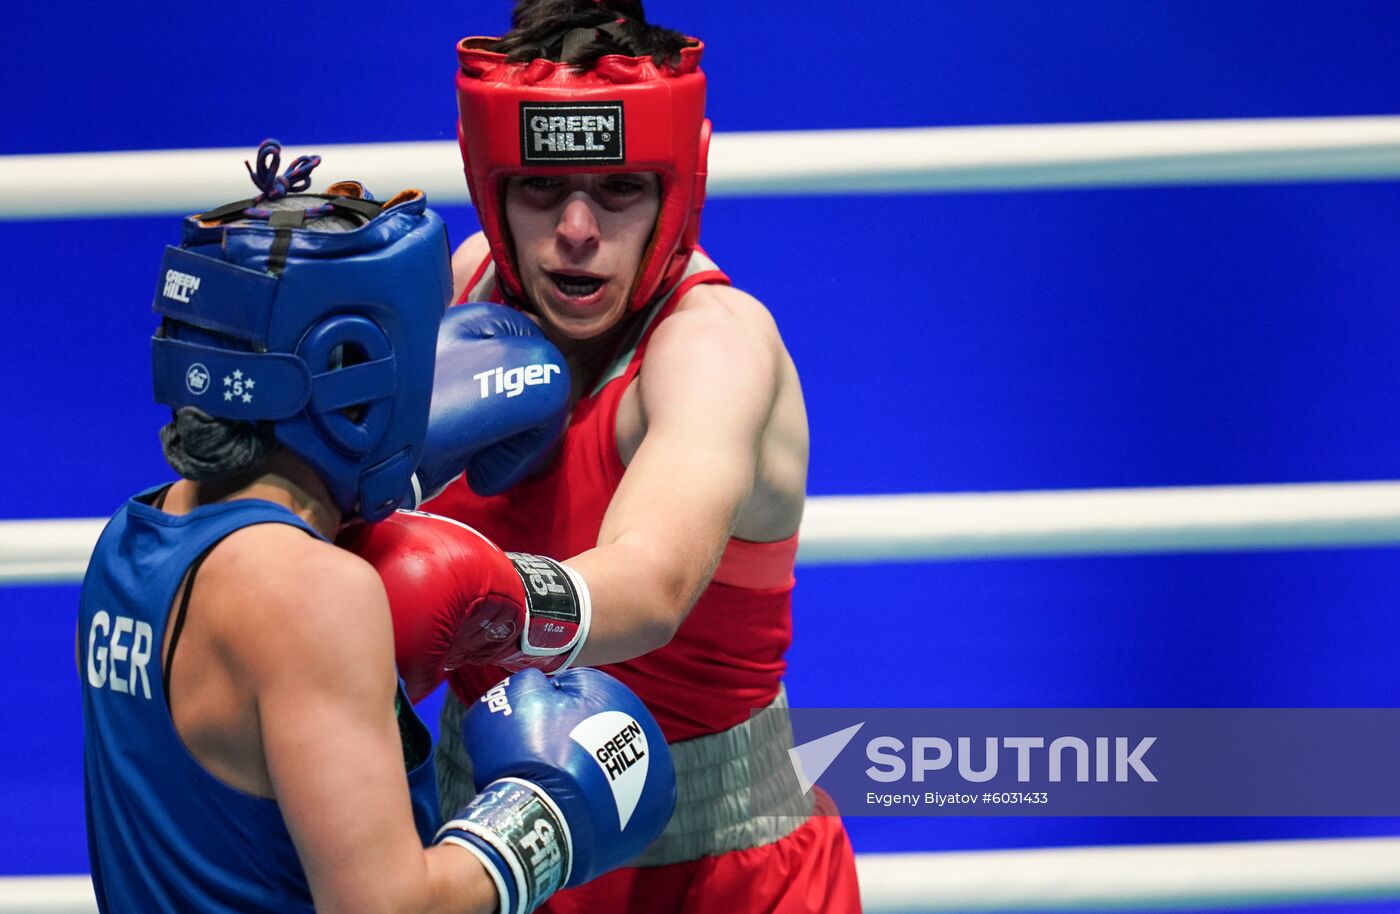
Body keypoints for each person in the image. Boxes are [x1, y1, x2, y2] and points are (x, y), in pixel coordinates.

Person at [344, 3, 863, 910]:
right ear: (491, 185)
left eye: (619, 187)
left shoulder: (712, 348)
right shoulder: (468, 289)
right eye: (542, 189)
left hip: (717, 872)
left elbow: (652, 582)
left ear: (676, 191)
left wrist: (477, 595)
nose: (577, 229)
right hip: (494, 848)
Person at [77, 141, 676, 914]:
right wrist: (541, 820)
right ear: (350, 363)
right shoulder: (314, 596)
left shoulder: (126, 543)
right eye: (418, 353)